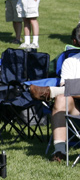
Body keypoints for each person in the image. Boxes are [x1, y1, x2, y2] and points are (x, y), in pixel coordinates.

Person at [31, 24, 80, 162]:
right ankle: (60, 152)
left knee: (61, 92)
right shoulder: (71, 62)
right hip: (77, 107)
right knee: (60, 98)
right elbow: (67, 87)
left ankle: (49, 92)